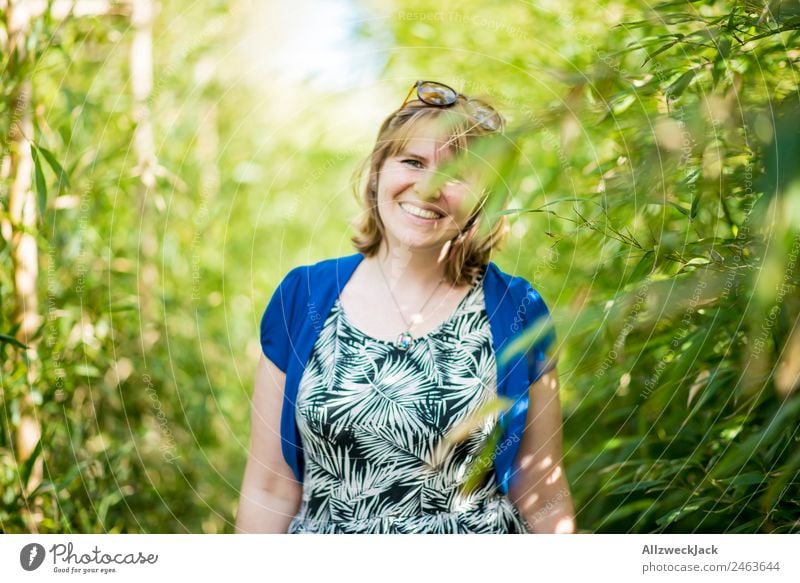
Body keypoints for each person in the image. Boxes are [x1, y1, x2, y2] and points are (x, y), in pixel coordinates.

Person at [235, 80, 575, 534]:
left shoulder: (518, 308)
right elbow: (269, 488)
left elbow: (542, 488)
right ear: (377, 173)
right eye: (412, 161)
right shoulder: (303, 297)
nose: (429, 186)